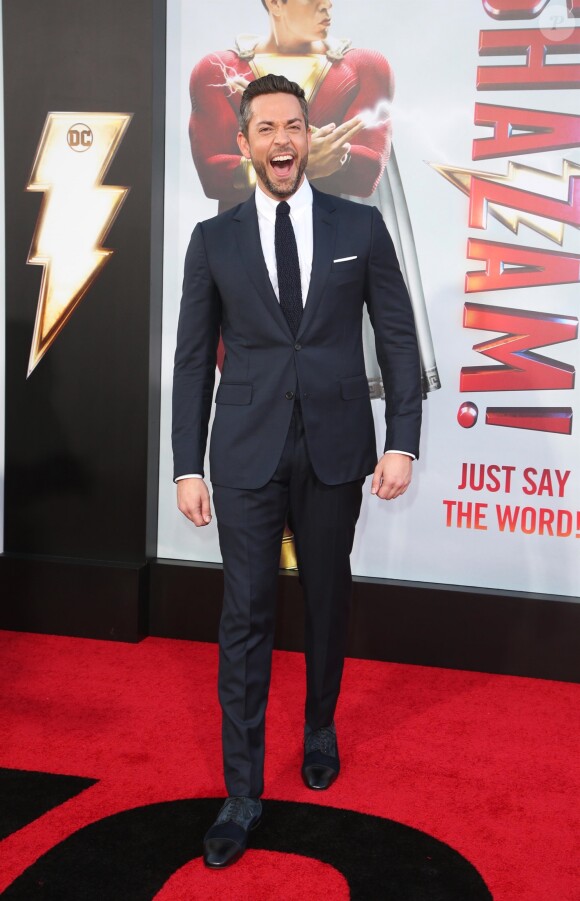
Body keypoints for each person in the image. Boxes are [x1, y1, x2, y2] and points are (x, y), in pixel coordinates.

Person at [172, 74, 422, 869]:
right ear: (242, 143)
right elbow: (189, 364)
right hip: (244, 453)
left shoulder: (361, 225)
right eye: (265, 127)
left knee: (326, 596)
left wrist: (402, 440)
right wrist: (186, 463)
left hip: (336, 445)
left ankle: (319, 724)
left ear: (309, 137)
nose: (282, 140)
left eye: (293, 125)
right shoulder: (213, 240)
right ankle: (241, 790)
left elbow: (397, 337)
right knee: (244, 617)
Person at [188, 0, 440, 397]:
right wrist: (308, 159)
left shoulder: (364, 65)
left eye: (295, 127)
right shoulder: (218, 68)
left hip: (336, 258)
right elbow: (210, 170)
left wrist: (277, 160)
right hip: (249, 260)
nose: (328, 6)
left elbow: (369, 168)